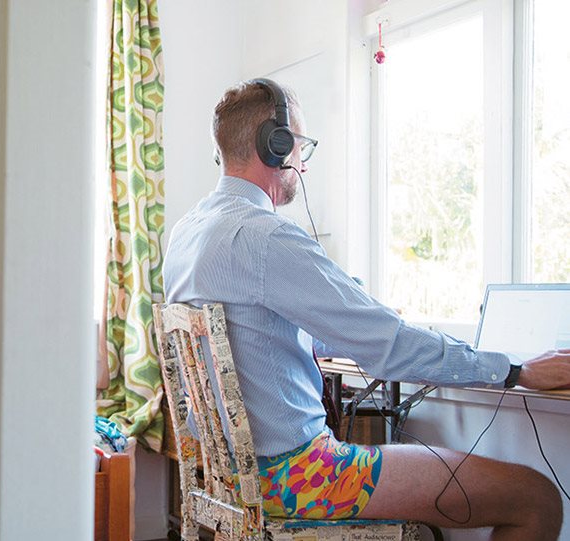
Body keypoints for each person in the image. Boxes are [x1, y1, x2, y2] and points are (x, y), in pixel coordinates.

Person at [162, 78, 570, 540]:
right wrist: (514, 370)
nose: (303, 164)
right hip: (299, 477)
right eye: (300, 146)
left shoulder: (187, 232)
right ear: (275, 146)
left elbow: (254, 333)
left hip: (234, 478)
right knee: (536, 498)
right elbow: (389, 349)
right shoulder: (266, 237)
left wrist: (350, 327)